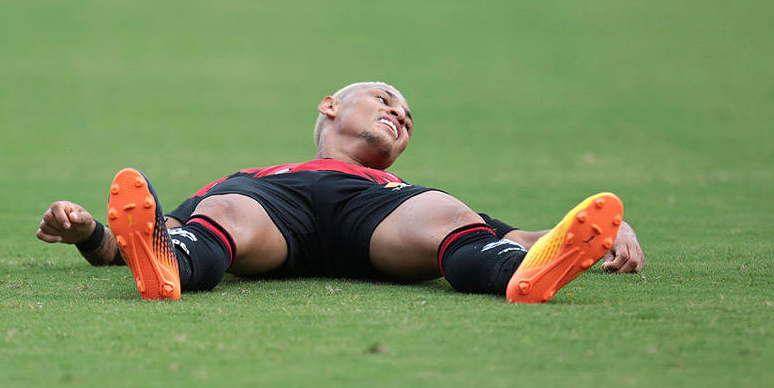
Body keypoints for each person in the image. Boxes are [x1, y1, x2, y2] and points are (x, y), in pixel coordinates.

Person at [36, 82, 644, 303]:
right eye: (385, 100)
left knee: (452, 216)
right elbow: (122, 245)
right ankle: (170, 269)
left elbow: (513, 229)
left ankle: (523, 276)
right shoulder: (259, 175)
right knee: (219, 211)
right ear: (331, 106)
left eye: (407, 117)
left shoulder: (395, 186)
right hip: (275, 211)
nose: (399, 115)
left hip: (376, 218)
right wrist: (90, 234)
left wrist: (592, 234)